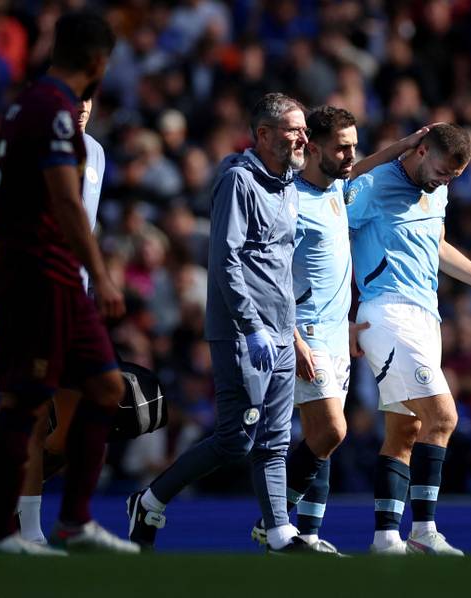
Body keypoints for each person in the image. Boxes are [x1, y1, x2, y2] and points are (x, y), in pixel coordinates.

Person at [127, 93, 313, 553]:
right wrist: (251, 326)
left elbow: (280, 267)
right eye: (294, 129)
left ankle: (278, 531)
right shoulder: (238, 182)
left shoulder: (289, 184)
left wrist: (291, 332)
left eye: (304, 129)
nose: (303, 138)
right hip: (242, 332)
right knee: (235, 439)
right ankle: (149, 500)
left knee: (275, 438)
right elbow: (225, 259)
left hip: (280, 331)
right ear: (264, 134)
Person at [0, 11, 137, 555]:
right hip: (37, 279)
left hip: (62, 283)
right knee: (25, 406)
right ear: (96, 61)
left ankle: (73, 520)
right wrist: (102, 275)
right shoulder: (50, 111)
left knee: (107, 388)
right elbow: (66, 205)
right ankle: (3, 530)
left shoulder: (34, 105)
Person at [249, 106, 431, 554]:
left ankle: (308, 534)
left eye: (354, 146)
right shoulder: (290, 201)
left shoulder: (336, 187)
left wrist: (404, 145)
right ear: (313, 149)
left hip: (335, 333)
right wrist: (294, 339)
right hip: (304, 331)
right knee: (331, 431)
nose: (351, 156)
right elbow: (271, 277)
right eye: (341, 148)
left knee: (321, 440)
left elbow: (363, 167)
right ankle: (272, 521)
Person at [347, 123, 471, 555]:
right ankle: (424, 530)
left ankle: (385, 539)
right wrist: (342, 318)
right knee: (444, 418)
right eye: (442, 171)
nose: (444, 181)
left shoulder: (438, 190)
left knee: (407, 429)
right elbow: (331, 236)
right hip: (387, 310)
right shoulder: (374, 185)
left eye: (453, 177)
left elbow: (438, 245)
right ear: (421, 150)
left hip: (426, 315)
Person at [0, 96, 104, 546]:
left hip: (75, 307)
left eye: (89, 96)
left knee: (78, 417)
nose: (82, 105)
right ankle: (29, 530)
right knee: (32, 411)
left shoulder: (96, 152)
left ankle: (9, 495)